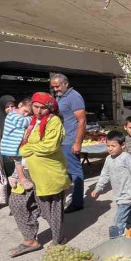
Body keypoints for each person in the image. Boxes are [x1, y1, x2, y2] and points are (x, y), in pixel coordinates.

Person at [9, 92, 71, 257]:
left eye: (42, 108)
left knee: (50, 208)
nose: (38, 110)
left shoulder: (54, 121)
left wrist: (25, 149)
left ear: (49, 108)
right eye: (35, 106)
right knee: (17, 203)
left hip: (47, 172)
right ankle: (30, 239)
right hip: (25, 170)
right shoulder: (30, 120)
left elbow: (49, 146)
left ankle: (58, 238)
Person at [92, 131, 131, 229]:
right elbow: (105, 174)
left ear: (123, 145)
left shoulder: (127, 158)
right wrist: (99, 187)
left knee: (118, 222)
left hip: (128, 195)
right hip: (118, 195)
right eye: (108, 146)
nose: (110, 148)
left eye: (113, 146)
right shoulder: (108, 159)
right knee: (130, 218)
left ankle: (116, 239)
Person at [50, 74, 86, 213]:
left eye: (57, 86)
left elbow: (82, 121)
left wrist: (77, 143)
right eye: (53, 87)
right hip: (61, 141)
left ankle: (77, 203)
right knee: (64, 171)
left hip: (70, 140)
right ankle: (66, 198)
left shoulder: (74, 97)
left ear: (66, 83)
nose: (55, 89)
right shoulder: (60, 96)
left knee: (75, 171)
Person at [1, 98, 34, 190]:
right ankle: (22, 179)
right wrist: (33, 117)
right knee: (19, 161)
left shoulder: (18, 115)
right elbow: (23, 123)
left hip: (16, 145)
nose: (26, 114)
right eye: (25, 111)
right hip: (11, 146)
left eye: (29, 113)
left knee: (20, 161)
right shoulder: (12, 115)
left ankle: (14, 177)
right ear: (19, 105)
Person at [0, 95, 16, 178]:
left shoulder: (20, 119)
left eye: (12, 106)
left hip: (20, 155)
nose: (10, 109)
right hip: (6, 157)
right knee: (9, 179)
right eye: (7, 107)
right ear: (2, 108)